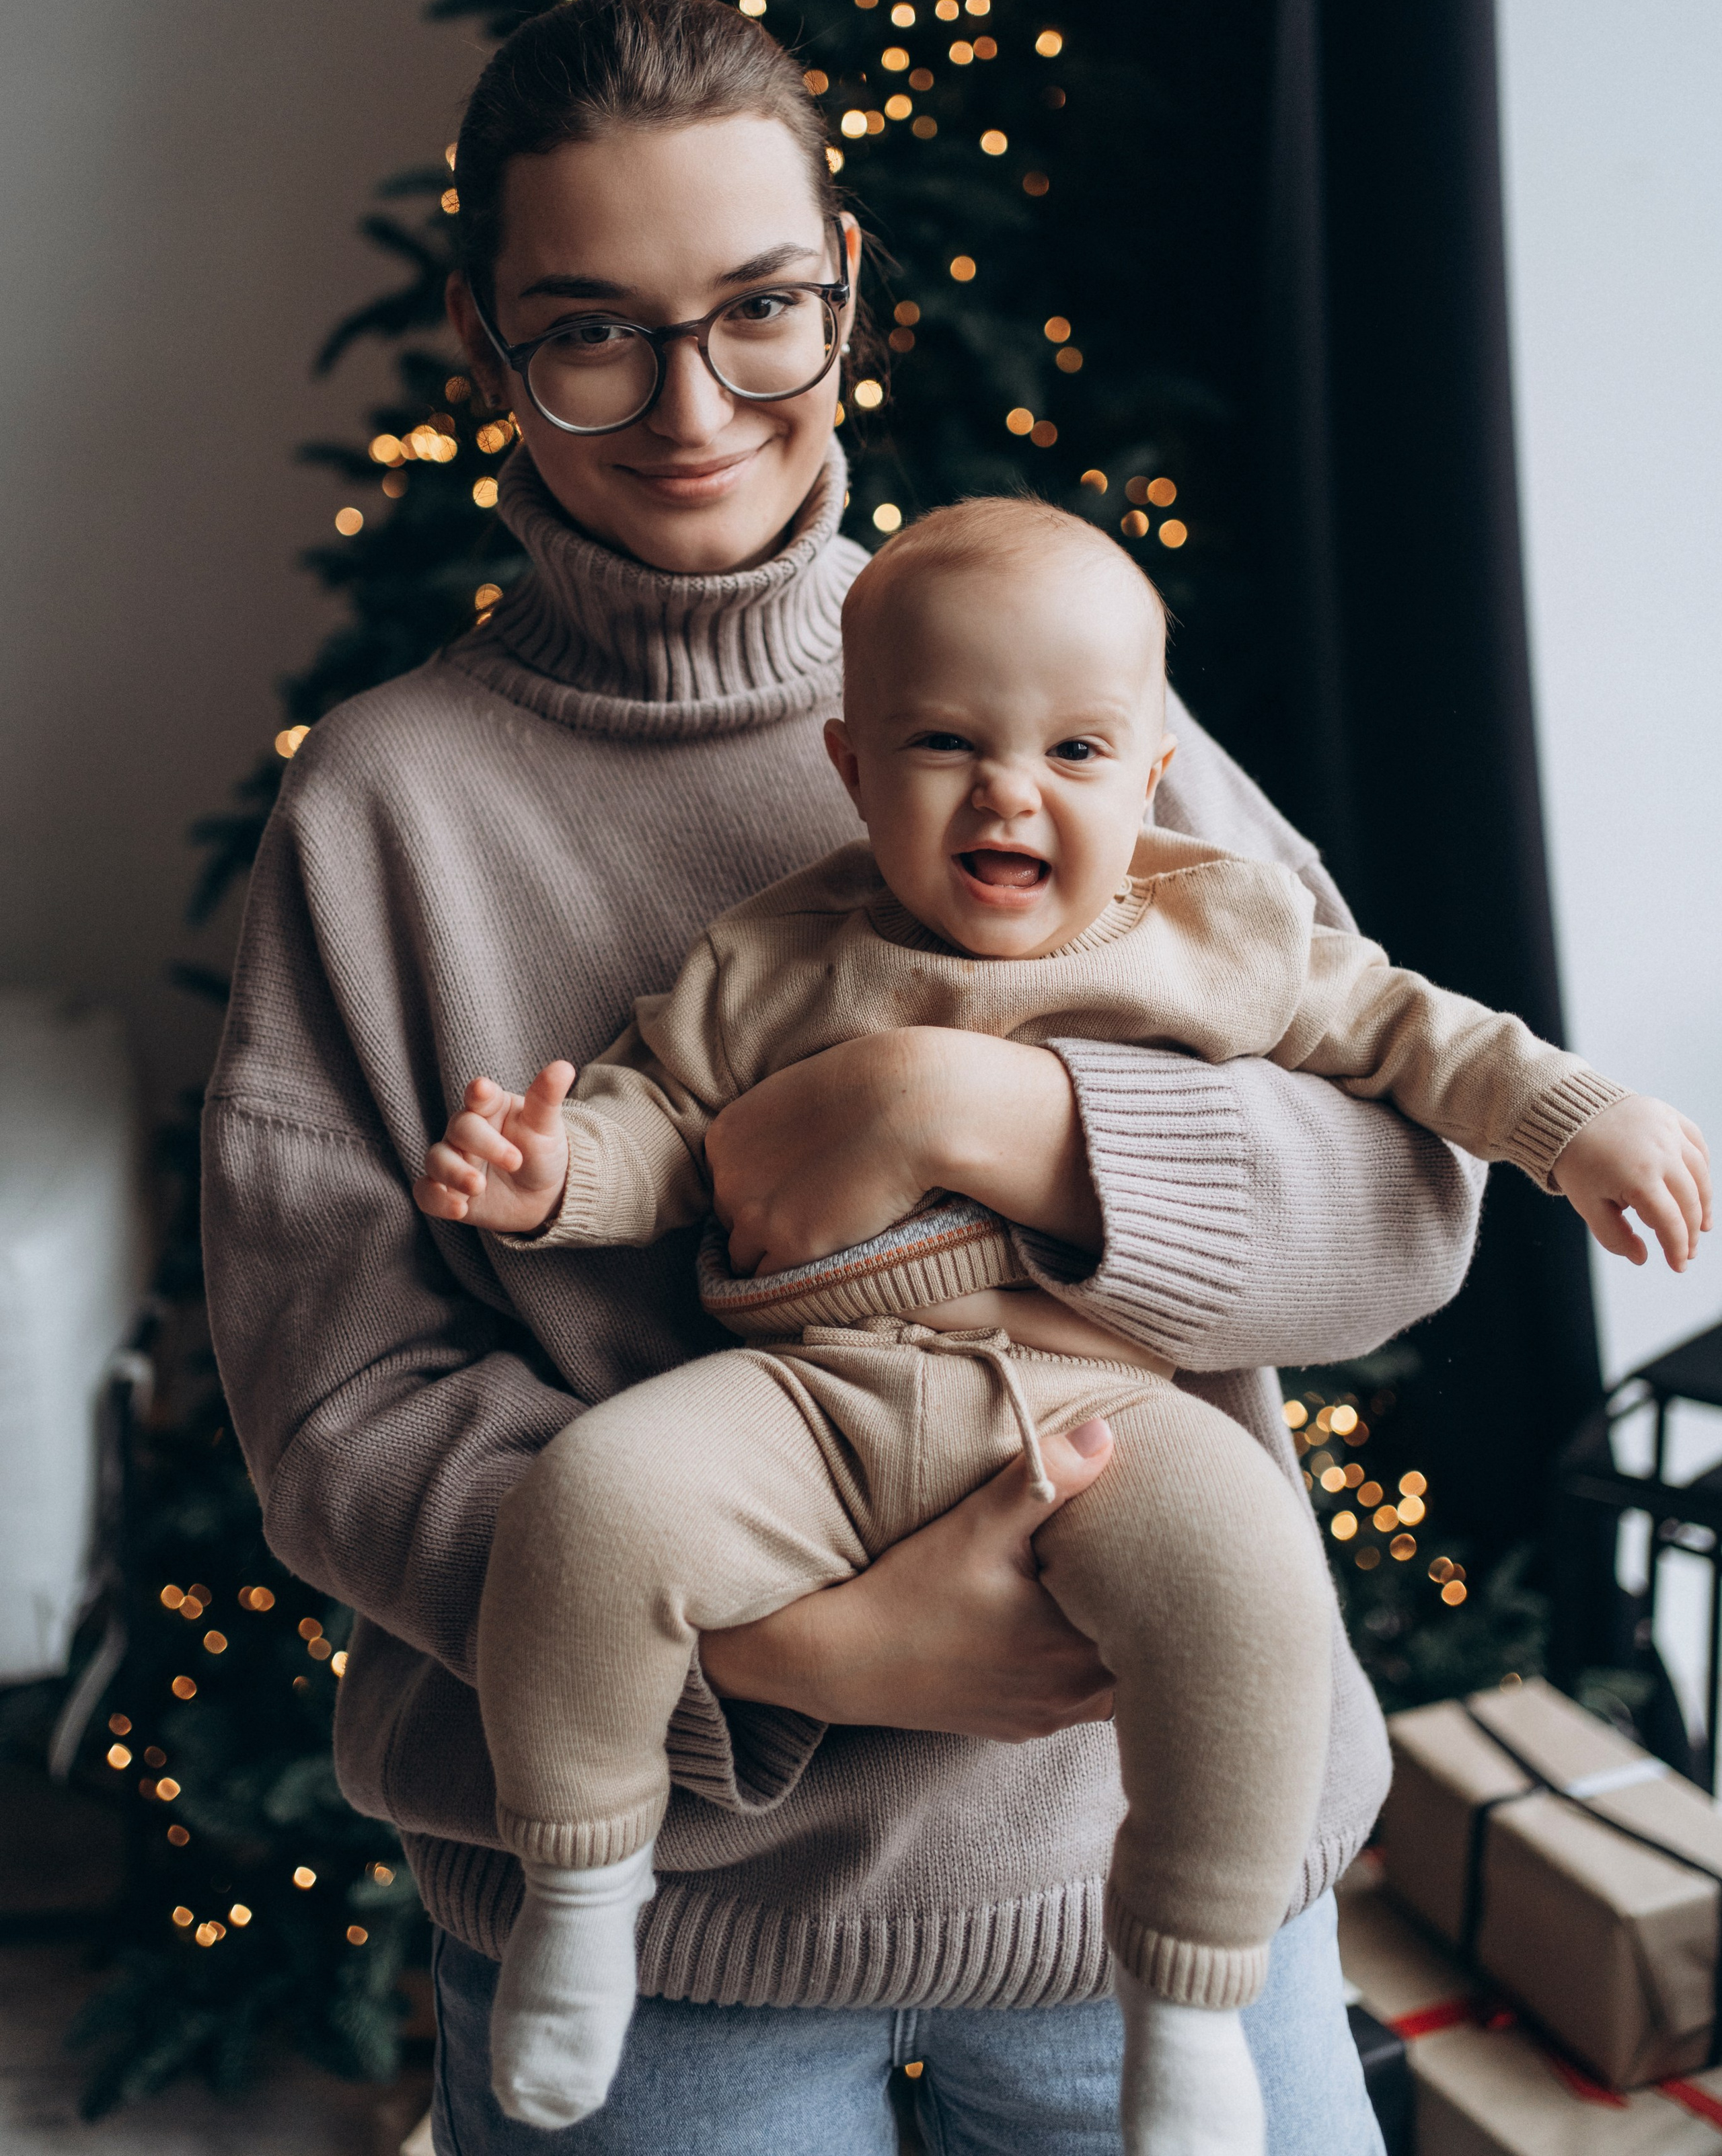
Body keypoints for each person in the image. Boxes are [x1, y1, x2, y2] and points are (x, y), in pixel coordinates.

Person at [206, 0, 1489, 2156]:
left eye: (760, 310)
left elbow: (1403, 1204)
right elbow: (339, 1411)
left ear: (850, 298)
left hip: (1130, 1882)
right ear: (480, 345)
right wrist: (795, 1642)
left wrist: (973, 1110)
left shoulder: (1047, 673)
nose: (694, 405)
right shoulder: (384, 816)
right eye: (592, 328)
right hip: (654, 1949)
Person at [414, 494, 1708, 2147]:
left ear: (1154, 765)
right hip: (816, 1403)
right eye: (944, 743)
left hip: (1096, 1407)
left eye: (1076, 753)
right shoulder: (772, 952)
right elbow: (661, 1126)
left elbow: (1404, 1034)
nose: (1010, 792)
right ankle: (581, 1903)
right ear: (851, 768)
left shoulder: (1213, 926)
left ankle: (1184, 2000)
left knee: (1245, 1579)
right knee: (590, 1507)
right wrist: (551, 1175)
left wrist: (1566, 1119)